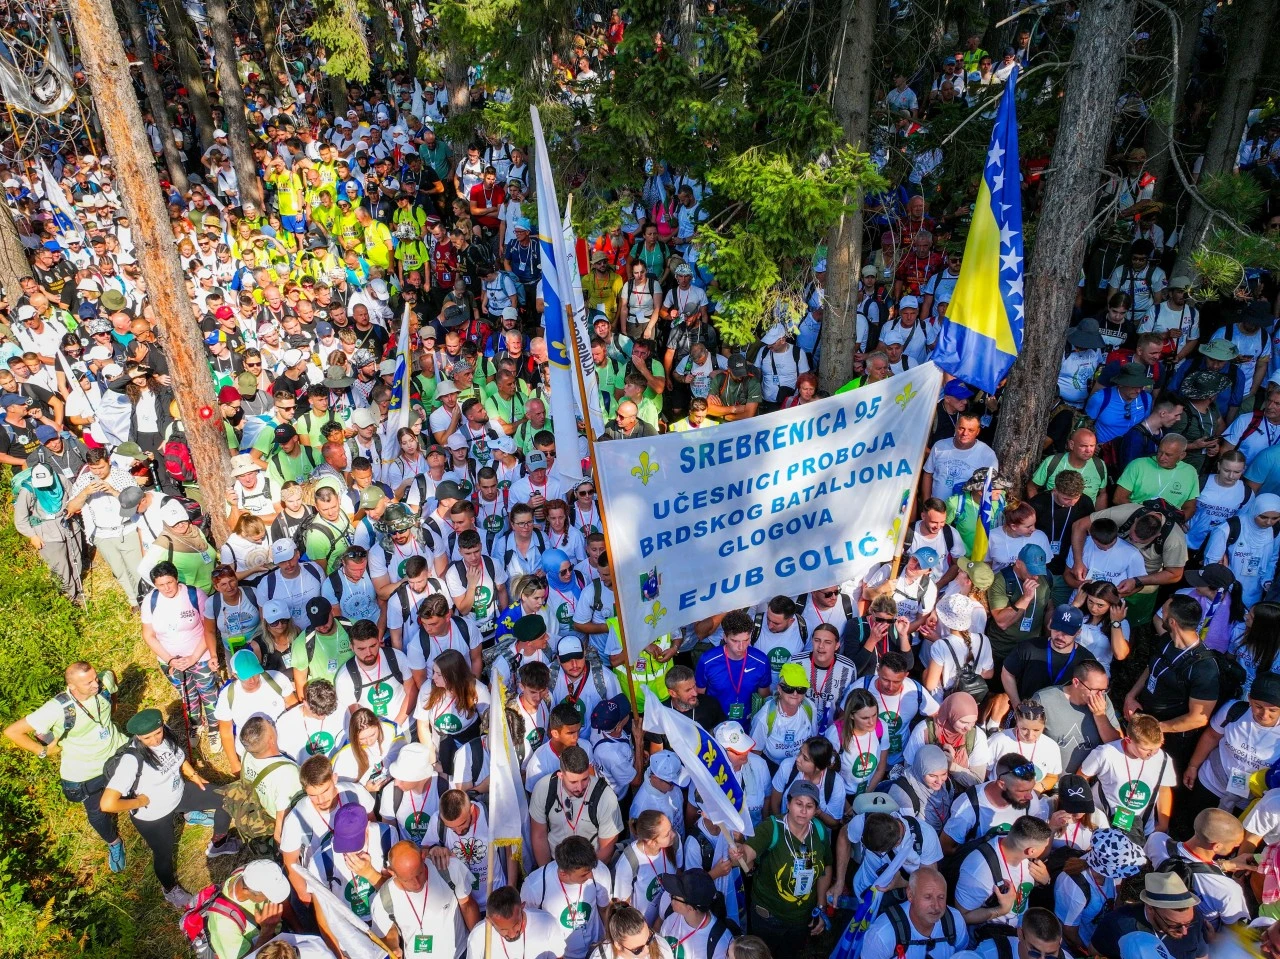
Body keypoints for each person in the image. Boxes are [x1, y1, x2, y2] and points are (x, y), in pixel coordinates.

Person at [4, 662, 129, 872]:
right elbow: (12, 731)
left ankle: (176, 806)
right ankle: (114, 843)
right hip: (86, 771)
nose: (96, 685)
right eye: (88, 683)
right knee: (97, 814)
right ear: (71, 686)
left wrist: (113, 705)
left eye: (95, 679)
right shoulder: (57, 709)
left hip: (117, 751)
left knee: (145, 777)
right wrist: (43, 751)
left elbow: (110, 676)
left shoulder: (104, 682)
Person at [733, 781, 832, 957]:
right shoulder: (771, 828)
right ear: (788, 804)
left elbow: (825, 867)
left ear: (816, 810)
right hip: (768, 917)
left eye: (809, 806)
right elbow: (746, 854)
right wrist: (739, 853)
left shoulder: (819, 831)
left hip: (801, 918)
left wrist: (821, 905)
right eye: (798, 803)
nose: (803, 811)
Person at [1125, 594, 1219, 771]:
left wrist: (1155, 729)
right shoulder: (1167, 640)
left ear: (1173, 622)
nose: (1161, 615)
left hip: (1169, 739)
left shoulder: (1204, 668)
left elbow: (1198, 719)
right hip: (1143, 721)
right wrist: (1131, 696)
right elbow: (1152, 668)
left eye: (1164, 612)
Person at [141, 561, 221, 750]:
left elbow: (208, 630)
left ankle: (215, 728)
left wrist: (193, 658)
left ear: (176, 578)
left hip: (199, 656)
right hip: (170, 661)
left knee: (208, 692)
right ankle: (195, 724)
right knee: (187, 694)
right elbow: (148, 635)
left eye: (169, 582)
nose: (166, 588)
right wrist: (170, 660)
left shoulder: (195, 595)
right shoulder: (150, 601)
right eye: (160, 585)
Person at [371, 839, 481, 959]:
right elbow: (387, 931)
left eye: (420, 873)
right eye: (407, 880)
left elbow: (467, 906)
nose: (417, 884)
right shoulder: (383, 899)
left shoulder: (449, 868)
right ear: (392, 873)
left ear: (423, 856)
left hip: (459, 954)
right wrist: (393, 946)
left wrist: (479, 945)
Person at [1145, 808, 1250, 930]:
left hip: (1152, 916)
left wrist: (1224, 865)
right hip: (1191, 934)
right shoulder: (1228, 890)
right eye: (1235, 844)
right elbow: (1233, 931)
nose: (1237, 846)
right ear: (1217, 846)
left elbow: (1187, 864)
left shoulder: (1157, 840)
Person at [1079, 713, 1175, 839]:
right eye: (1146, 749)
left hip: (1143, 829)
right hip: (1104, 825)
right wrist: (1083, 812)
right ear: (1129, 740)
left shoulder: (1163, 758)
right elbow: (1081, 778)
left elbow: (1164, 791)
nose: (1152, 754)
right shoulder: (1105, 754)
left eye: (1156, 748)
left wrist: (1163, 825)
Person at [1056, 828, 1148, 956]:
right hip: (1084, 945)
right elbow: (1069, 931)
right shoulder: (1073, 887)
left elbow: (1116, 895)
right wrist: (1087, 952)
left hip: (1100, 936)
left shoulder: (1104, 866)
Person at [528, 743, 624, 866]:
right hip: (555, 864)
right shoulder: (543, 788)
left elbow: (606, 848)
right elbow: (539, 835)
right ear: (560, 775)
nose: (580, 787)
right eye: (573, 782)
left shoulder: (605, 796)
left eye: (585, 779)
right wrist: (547, 871)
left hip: (590, 866)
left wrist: (584, 874)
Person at [520, 836, 612, 959]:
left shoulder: (599, 870)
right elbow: (530, 925)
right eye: (584, 874)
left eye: (591, 870)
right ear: (563, 873)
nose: (590, 876)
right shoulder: (534, 886)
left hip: (595, 950)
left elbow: (604, 909)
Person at [954, 814, 1054, 928]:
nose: (1046, 849)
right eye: (1045, 847)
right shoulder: (978, 871)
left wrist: (1045, 881)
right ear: (1031, 851)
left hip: (1021, 928)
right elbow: (963, 915)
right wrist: (1001, 910)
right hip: (992, 933)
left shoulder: (1022, 850)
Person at [942, 753, 1052, 853]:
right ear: (1002, 784)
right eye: (1022, 791)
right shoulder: (968, 807)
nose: (1030, 796)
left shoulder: (1030, 802)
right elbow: (946, 847)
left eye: (1031, 789)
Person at [1091, 872, 1208, 959]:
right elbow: (1094, 953)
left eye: (1188, 923)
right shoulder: (1117, 924)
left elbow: (1201, 956)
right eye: (1174, 924)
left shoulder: (1194, 918)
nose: (1184, 931)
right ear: (1150, 908)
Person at [1033, 659, 1121, 773]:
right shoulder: (1044, 700)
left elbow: (1116, 744)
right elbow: (1024, 738)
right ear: (1076, 682)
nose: (1100, 695)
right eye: (1095, 690)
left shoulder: (1103, 702)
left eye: (1104, 690)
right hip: (1048, 777)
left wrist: (1100, 715)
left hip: (1085, 779)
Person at [860, 866, 968, 959]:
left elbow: (963, 954)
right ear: (910, 895)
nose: (936, 906)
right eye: (928, 897)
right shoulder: (882, 934)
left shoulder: (955, 921)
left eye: (941, 897)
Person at [695, 610, 772, 722]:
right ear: (725, 637)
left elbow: (764, 698)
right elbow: (699, 697)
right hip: (716, 724)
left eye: (746, 640)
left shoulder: (761, 661)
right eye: (735, 641)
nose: (741, 647)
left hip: (748, 723)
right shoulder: (707, 661)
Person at [205, 860, 292, 959]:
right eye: (269, 895)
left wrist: (299, 930)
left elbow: (282, 901)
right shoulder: (223, 926)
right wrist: (267, 932)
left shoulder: (252, 872)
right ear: (246, 891)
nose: (270, 900)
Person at [465, 885, 567, 959]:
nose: (512, 934)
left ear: (522, 907)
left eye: (516, 925)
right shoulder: (478, 936)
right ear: (489, 920)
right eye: (503, 929)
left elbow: (559, 956)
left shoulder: (547, 923)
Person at [749, 662, 818, 769]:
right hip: (773, 767)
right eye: (789, 688)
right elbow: (755, 752)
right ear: (779, 689)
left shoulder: (810, 707)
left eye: (801, 689)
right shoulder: (765, 717)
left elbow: (814, 739)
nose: (795, 693)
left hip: (801, 767)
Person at [886, 743, 954, 830]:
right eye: (932, 776)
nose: (939, 781)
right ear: (920, 770)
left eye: (944, 774)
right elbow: (907, 831)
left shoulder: (946, 784)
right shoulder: (902, 793)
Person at [586, 903, 677, 959]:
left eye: (649, 938)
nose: (647, 949)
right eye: (638, 949)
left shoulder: (661, 947)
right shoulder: (601, 956)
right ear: (618, 945)